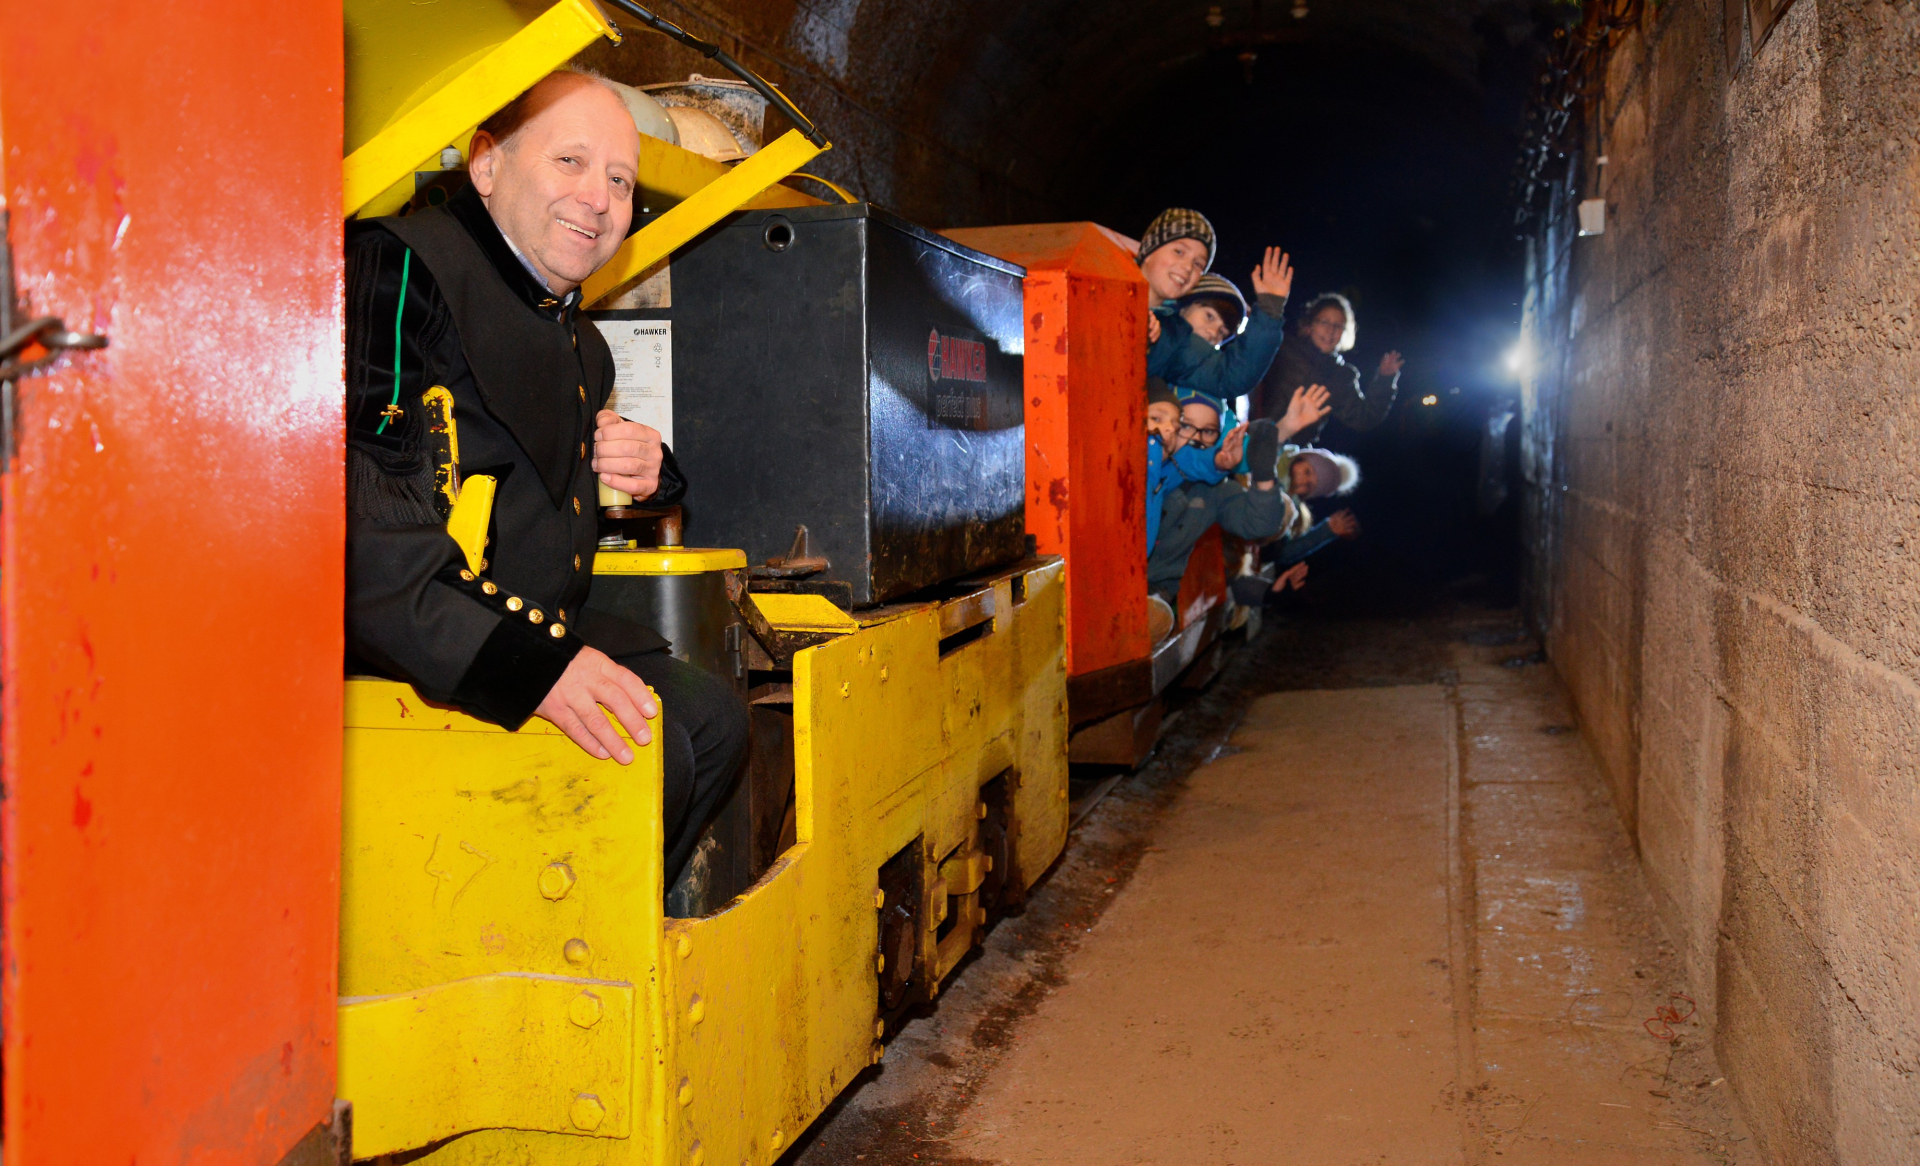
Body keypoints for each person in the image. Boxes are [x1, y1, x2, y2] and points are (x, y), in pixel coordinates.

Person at [343, 69, 748, 885]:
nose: (598, 198)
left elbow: (554, 492)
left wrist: (654, 475)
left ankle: (618, 939)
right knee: (650, 745)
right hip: (414, 645)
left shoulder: (582, 346)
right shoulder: (397, 270)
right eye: (570, 162)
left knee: (713, 722)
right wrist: (536, 670)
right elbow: (367, 541)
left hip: (537, 624)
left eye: (620, 180)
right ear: (487, 165)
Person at [1147, 384, 1330, 608]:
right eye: (1185, 425)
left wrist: (1263, 474)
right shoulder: (1145, 458)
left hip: (1154, 594)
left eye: (1209, 431)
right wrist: (1282, 430)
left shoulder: (1216, 492)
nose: (1196, 438)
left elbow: (1258, 525)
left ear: (1219, 435)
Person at [1137, 208, 1294, 402]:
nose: (1187, 267)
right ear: (1150, 249)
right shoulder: (1099, 276)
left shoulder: (1175, 336)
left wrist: (1270, 309)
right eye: (1179, 251)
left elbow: (1228, 378)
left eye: (1198, 264)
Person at [1251, 291, 1404, 446]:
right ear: (1310, 325)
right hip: (1250, 435)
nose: (1330, 331)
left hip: (1289, 453)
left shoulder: (1342, 376)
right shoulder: (1282, 348)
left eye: (1338, 326)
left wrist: (1385, 379)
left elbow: (1363, 417)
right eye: (1324, 322)